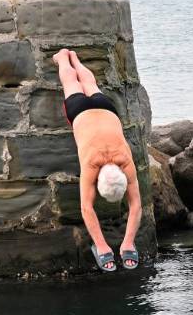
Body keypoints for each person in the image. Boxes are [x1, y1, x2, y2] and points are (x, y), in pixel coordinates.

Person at [53, 49, 142, 272]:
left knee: (89, 84)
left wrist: (124, 242)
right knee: (72, 82)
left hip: (105, 109)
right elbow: (87, 207)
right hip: (80, 111)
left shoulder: (121, 161)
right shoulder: (96, 164)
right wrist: (107, 244)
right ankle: (63, 57)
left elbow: (91, 207)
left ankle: (72, 57)